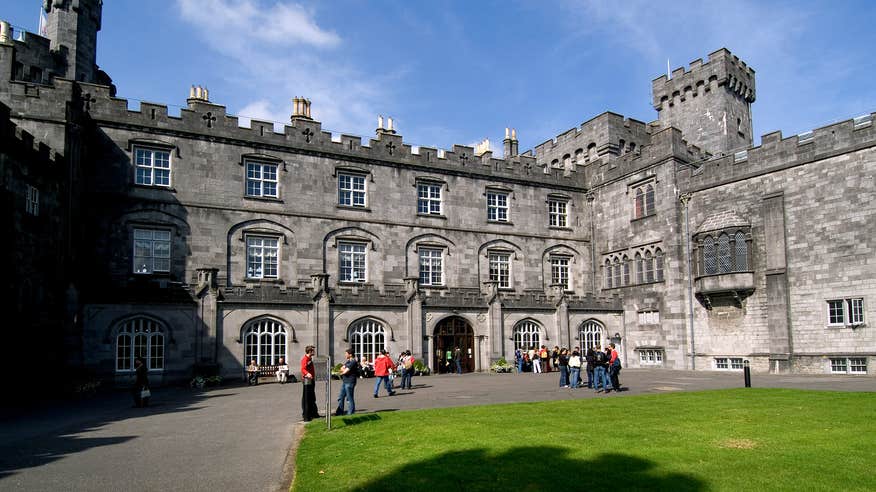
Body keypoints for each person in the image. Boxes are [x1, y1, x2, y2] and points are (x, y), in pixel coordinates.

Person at [335, 348, 359, 416]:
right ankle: (340, 412)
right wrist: (343, 369)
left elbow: (345, 371)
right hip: (345, 382)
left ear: (350, 354)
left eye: (346, 354)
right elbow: (342, 368)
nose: (345, 355)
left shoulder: (353, 362)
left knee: (349, 398)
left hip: (350, 382)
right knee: (340, 397)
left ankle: (350, 412)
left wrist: (340, 372)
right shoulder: (348, 361)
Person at [300, 346, 320, 421]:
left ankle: (313, 413)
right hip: (307, 381)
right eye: (313, 351)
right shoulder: (305, 359)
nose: (314, 352)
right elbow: (303, 369)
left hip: (311, 380)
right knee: (307, 398)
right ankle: (306, 415)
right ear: (310, 352)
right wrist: (307, 374)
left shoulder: (309, 359)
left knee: (312, 397)